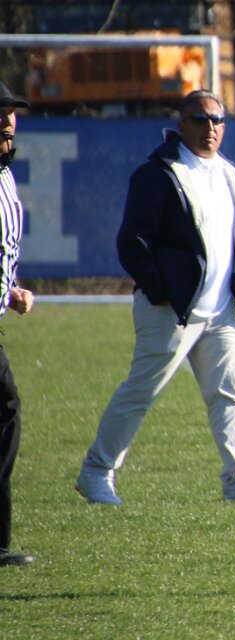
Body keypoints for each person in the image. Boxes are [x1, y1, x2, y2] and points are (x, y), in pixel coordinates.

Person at [76, 89, 235, 505]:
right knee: (141, 392)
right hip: (171, 310)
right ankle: (96, 471)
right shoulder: (158, 173)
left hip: (221, 311)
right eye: (200, 119)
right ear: (181, 125)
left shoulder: (228, 172)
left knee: (229, 394)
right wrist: (162, 291)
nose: (210, 128)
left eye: (217, 120)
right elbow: (132, 243)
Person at [0, 83, 35, 567]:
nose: (8, 121)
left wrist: (9, 288)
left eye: (11, 113)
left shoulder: (6, 173)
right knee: (5, 411)